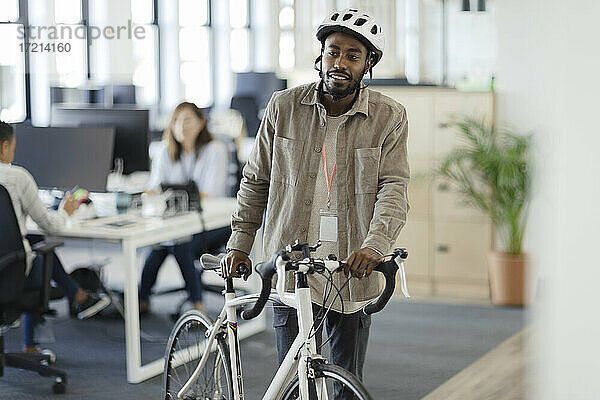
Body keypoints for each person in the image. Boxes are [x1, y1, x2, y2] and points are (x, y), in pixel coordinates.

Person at [221, 8, 409, 397]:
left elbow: (394, 188)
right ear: (320, 54)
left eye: (352, 55)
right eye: (333, 51)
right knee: (291, 384)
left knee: (345, 385)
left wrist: (376, 245)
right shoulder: (283, 107)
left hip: (349, 267)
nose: (340, 63)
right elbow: (256, 181)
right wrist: (240, 242)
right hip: (290, 266)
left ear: (368, 63)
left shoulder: (389, 116)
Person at [0, 121, 111, 353]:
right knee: (40, 250)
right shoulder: (17, 177)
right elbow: (50, 226)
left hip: (6, 265)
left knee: (32, 243)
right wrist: (65, 212)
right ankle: (78, 297)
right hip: (12, 276)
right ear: (4, 147)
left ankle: (77, 297)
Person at [139, 102, 231, 313]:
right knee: (165, 242)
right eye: (176, 120)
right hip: (178, 223)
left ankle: (196, 304)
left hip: (213, 223)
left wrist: (168, 195)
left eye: (187, 119)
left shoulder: (214, 149)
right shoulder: (164, 150)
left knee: (175, 242)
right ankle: (142, 301)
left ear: (201, 123)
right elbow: (154, 188)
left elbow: (209, 194)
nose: (181, 125)